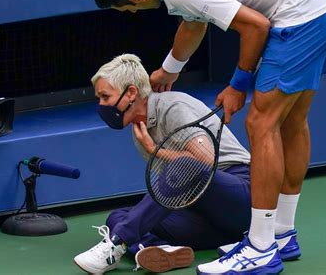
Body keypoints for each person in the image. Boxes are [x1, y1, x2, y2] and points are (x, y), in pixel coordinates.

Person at [93, 0, 326, 273]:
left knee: (260, 123)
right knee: (292, 121)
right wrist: (170, 69)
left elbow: (256, 26)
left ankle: (261, 248)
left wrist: (238, 85)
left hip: (301, 11)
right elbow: (194, 22)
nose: (133, 14)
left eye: (127, 11)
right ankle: (281, 235)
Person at [74, 53, 255, 274]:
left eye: (105, 97)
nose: (101, 105)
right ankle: (159, 250)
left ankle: (117, 243)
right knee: (118, 216)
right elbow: (171, 195)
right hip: (211, 219)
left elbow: (205, 162)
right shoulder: (141, 129)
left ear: (131, 92)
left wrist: (155, 151)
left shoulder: (172, 106)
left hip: (242, 196)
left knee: (183, 167)